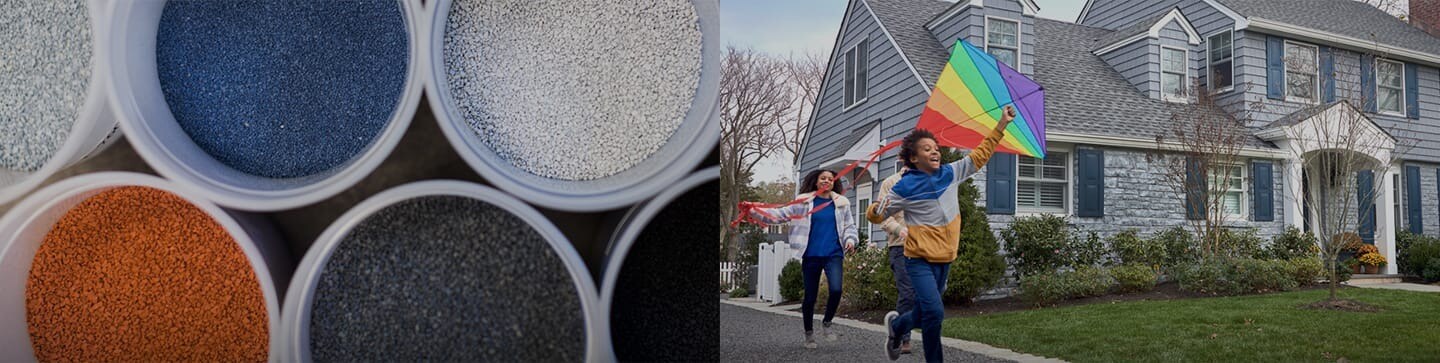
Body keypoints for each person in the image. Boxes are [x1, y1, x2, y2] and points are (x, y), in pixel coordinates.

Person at [868, 106, 1014, 362]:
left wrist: (1001, 124)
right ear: (913, 158)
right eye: (927, 148)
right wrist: (874, 210)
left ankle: (897, 328)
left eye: (935, 147)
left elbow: (979, 156)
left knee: (924, 312)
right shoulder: (904, 187)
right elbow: (878, 215)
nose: (934, 150)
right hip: (918, 260)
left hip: (945, 259)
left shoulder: (950, 173)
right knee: (934, 313)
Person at [747, 169, 858, 349]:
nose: (826, 181)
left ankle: (827, 323)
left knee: (836, 290)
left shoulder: (841, 203)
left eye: (830, 179)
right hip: (810, 254)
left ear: (833, 182)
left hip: (833, 253)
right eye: (823, 178)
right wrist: (754, 211)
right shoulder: (803, 202)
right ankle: (809, 334)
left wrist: (851, 240)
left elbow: (849, 227)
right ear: (816, 181)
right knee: (810, 297)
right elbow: (779, 215)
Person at [877, 166, 914, 354]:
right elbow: (881, 215)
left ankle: (898, 326)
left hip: (926, 247)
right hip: (900, 246)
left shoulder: (927, 182)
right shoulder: (890, 183)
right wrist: (900, 230)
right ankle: (902, 337)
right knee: (907, 292)